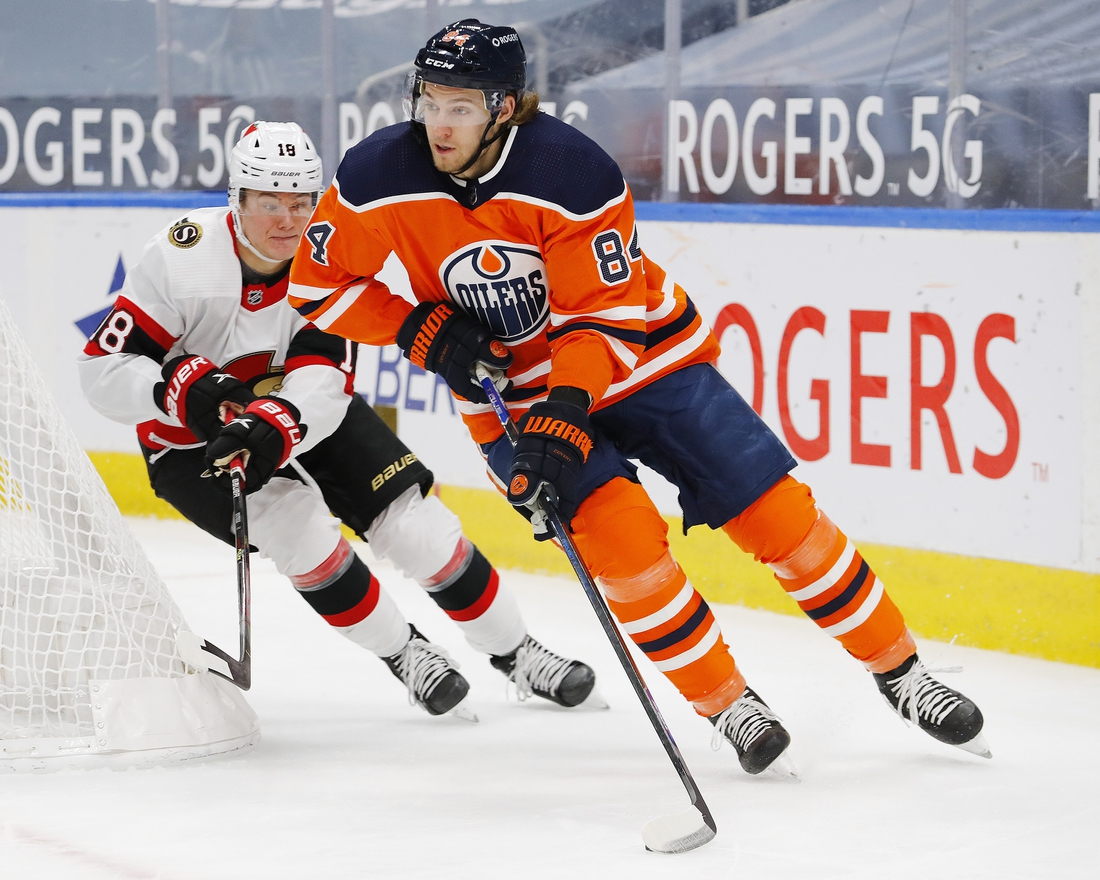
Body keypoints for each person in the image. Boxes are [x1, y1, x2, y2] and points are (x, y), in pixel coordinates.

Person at [286, 21, 989, 774]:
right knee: (622, 544)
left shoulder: (570, 171)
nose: (439, 124)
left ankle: (903, 672)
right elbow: (315, 286)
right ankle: (729, 704)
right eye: (429, 101)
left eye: (461, 106)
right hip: (511, 395)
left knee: (776, 513)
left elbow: (606, 317)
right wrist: (416, 326)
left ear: (506, 107)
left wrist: (567, 406)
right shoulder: (376, 174)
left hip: (645, 358)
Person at [78, 119, 597, 721]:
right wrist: (178, 390)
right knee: (299, 534)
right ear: (236, 199)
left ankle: (518, 652)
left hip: (298, 416)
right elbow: (101, 369)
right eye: (269, 202)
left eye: (301, 203)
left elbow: (323, 381)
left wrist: (279, 422)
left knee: (417, 527)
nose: (287, 221)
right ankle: (407, 655)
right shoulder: (181, 258)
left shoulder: (325, 261)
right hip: (194, 445)